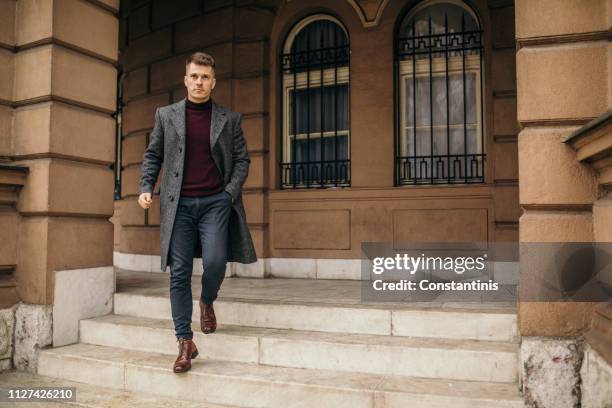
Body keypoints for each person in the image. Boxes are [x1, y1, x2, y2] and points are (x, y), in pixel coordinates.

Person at [137, 52, 257, 374]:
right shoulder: (166, 115)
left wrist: (229, 194)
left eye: (205, 77)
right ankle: (184, 342)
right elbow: (153, 155)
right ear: (186, 79)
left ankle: (206, 300)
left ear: (213, 82)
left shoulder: (229, 119)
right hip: (178, 206)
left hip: (215, 203)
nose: (199, 82)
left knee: (217, 261)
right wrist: (146, 186)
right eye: (194, 76)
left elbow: (243, 160)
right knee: (179, 273)